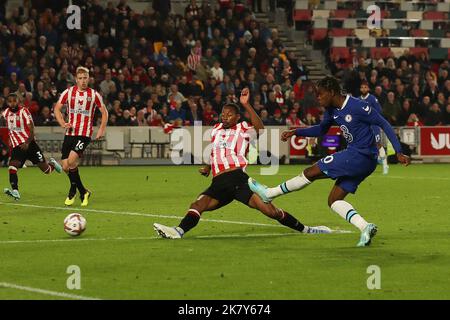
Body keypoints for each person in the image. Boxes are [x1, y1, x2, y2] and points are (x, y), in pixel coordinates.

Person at [249, 76, 411, 247]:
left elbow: (384, 123)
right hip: (363, 161)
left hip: (359, 155)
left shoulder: (357, 106)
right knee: (334, 200)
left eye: (321, 94)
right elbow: (321, 129)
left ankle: (270, 193)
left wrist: (399, 152)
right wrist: (296, 132)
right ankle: (365, 227)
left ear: (332, 92)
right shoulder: (331, 110)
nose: (318, 98)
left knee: (311, 171)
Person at [153, 88, 331, 239]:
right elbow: (216, 150)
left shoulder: (243, 128)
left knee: (271, 212)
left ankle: (307, 230)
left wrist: (246, 105)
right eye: (223, 114)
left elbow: (260, 129)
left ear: (237, 117)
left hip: (237, 179)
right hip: (219, 181)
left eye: (229, 114)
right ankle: (178, 231)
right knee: (198, 205)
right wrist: (208, 167)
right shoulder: (215, 130)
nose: (225, 117)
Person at [54, 67, 109, 206]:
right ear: (76, 79)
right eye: (80, 78)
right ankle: (83, 191)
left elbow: (104, 112)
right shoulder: (68, 92)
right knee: (65, 166)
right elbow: (57, 108)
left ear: (89, 78)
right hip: (70, 133)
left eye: (85, 78)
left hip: (84, 134)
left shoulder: (94, 95)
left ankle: (73, 190)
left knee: (71, 162)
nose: (83, 81)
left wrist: (101, 129)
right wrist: (62, 123)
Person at [2, 93, 62, 200]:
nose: (12, 103)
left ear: (18, 101)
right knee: (12, 166)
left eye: (14, 101)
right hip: (17, 147)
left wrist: (27, 143)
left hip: (30, 145)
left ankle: (52, 164)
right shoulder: (6, 113)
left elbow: (31, 129)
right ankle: (15, 191)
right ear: (7, 102)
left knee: (46, 171)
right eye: (10, 101)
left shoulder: (24, 111)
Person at [358, 81, 389, 175]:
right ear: (360, 89)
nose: (363, 89)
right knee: (363, 145)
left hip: (373, 126)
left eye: (365, 87)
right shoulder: (358, 99)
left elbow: (379, 111)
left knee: (378, 144)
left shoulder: (372, 99)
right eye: (362, 87)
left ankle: (385, 165)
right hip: (363, 127)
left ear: (368, 89)